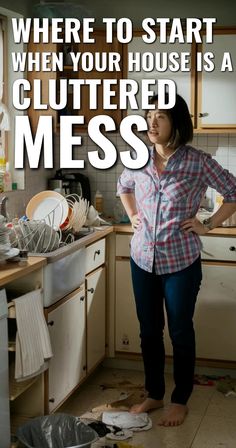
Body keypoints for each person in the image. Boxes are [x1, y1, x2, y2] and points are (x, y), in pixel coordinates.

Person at [117, 93, 236, 427]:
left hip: (181, 263)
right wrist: (132, 215)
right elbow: (123, 185)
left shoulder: (197, 161)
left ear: (177, 123)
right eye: (149, 115)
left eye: (162, 116)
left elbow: (234, 191)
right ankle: (154, 394)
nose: (152, 122)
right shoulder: (138, 158)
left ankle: (180, 399)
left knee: (181, 331)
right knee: (149, 331)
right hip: (141, 259)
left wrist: (208, 224)